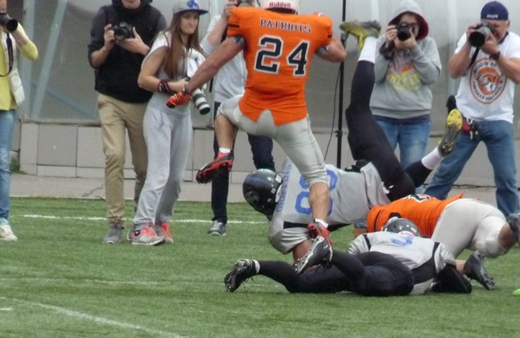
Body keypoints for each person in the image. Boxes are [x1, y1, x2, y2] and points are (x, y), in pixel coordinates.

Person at [241, 24, 461, 272]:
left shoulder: (282, 225)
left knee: (360, 110)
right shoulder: (291, 166)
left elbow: (308, 265)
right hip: (374, 172)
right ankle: (440, 152)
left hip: (377, 191)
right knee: (359, 116)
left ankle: (370, 40)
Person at [167, 0, 346, 261]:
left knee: (223, 111)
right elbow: (339, 54)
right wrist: (326, 32)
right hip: (291, 119)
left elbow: (214, 63)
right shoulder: (312, 25)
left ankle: (224, 152)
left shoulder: (250, 19)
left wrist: (187, 90)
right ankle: (320, 228)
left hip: (252, 112)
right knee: (317, 177)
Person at [223, 218, 493, 295]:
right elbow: (460, 285)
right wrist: (445, 285)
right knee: (364, 282)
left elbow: (356, 258)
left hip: (367, 255)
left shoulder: (374, 236)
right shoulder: (430, 245)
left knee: (300, 283)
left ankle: (255, 266)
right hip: (399, 271)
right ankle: (329, 252)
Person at [424, 1, 520, 217]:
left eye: (496, 26)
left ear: (508, 25)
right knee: (446, 172)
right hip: (466, 119)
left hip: (499, 119)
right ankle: (425, 213)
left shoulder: (514, 42)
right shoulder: (470, 39)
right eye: (487, 25)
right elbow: (454, 72)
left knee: (506, 178)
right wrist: (469, 43)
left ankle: (512, 223)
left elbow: (517, 75)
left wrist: (495, 53)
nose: (491, 30)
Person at [130, 0, 208, 246]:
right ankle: (140, 227)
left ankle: (160, 222)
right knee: (159, 173)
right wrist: (171, 86)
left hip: (182, 116)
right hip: (160, 112)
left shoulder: (195, 51)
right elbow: (143, 79)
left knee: (175, 177)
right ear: (177, 19)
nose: (192, 22)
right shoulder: (165, 42)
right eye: (187, 17)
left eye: (195, 17)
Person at [87, 0, 166, 244]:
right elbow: (93, 59)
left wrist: (141, 48)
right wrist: (107, 46)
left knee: (144, 167)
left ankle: (141, 222)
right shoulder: (106, 14)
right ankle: (115, 222)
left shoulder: (154, 18)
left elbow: (166, 62)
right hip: (110, 98)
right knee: (114, 156)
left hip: (143, 102)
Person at [200, 0, 275, 237]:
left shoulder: (264, 19)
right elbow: (205, 51)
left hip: (256, 97)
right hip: (226, 99)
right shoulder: (221, 20)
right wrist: (225, 18)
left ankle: (274, 212)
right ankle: (219, 219)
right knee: (222, 158)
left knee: (263, 157)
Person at [0, 0, 38, 241]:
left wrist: (15, 32)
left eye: (3, 10)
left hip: (4, 104)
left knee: (2, 163)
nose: (0, 15)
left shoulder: (10, 27)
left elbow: (33, 54)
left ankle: (2, 222)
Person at [368, 0, 441, 181]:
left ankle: (410, 201)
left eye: (412, 26)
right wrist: (388, 48)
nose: (408, 30)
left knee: (412, 177)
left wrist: (414, 48)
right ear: (394, 25)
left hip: (416, 119)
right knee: (377, 174)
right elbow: (374, 76)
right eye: (403, 25)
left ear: (420, 27)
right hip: (383, 116)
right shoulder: (382, 42)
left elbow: (431, 77)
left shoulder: (427, 44)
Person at [366, 193, 520, 258]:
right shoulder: (402, 205)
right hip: (481, 208)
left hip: (457, 213)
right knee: (494, 245)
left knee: (432, 266)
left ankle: (467, 269)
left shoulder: (379, 214)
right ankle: (516, 221)